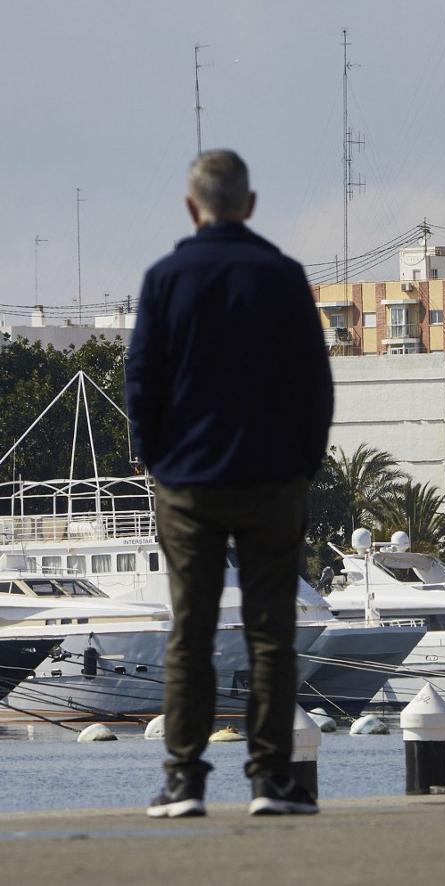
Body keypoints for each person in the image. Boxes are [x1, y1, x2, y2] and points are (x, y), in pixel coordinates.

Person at [126, 150, 333, 818]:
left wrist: (154, 459)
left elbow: (141, 380)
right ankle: (271, 780)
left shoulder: (164, 279)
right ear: (250, 204)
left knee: (189, 630)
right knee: (270, 633)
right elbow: (315, 384)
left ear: (193, 206)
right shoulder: (283, 276)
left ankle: (184, 779)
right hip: (273, 476)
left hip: (187, 482)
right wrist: (304, 463)